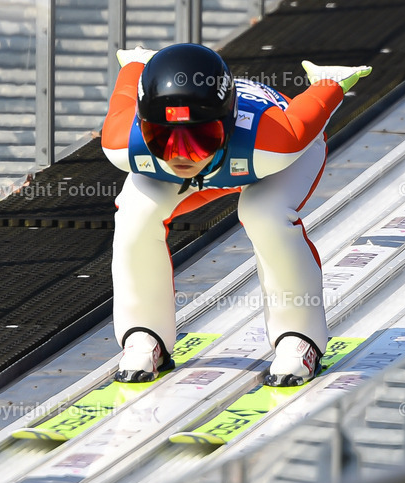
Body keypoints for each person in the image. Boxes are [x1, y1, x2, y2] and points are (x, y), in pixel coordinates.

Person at [101, 43, 370, 385]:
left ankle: (299, 339)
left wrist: (329, 81)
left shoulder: (275, 142)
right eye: (161, 138)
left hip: (268, 165)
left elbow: (313, 109)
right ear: (143, 125)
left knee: (264, 213)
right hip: (230, 159)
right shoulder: (122, 142)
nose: (181, 155)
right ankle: (144, 335)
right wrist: (137, 64)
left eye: (200, 138)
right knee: (134, 212)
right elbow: (127, 92)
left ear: (226, 126)